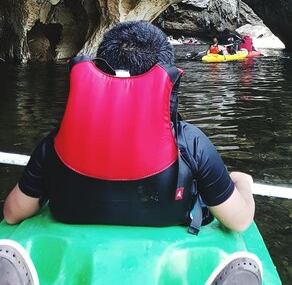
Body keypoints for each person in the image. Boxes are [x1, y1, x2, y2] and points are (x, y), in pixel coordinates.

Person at [3, 21, 255, 235]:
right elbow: (239, 221)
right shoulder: (190, 143)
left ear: (101, 67)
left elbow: (13, 213)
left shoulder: (58, 142)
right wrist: (243, 182)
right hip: (165, 221)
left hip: (73, 218)